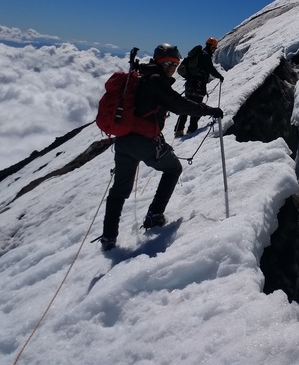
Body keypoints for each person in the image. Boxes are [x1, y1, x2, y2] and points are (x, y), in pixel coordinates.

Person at [96, 43, 223, 251]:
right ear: (158, 61)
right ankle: (155, 215)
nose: (172, 67)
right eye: (168, 63)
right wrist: (210, 110)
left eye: (175, 63)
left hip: (124, 141)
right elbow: (180, 105)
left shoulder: (142, 76)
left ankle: (109, 236)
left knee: (119, 189)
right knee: (173, 169)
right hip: (144, 141)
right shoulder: (156, 81)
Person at [174, 37, 225, 137]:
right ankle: (191, 130)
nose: (214, 50)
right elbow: (210, 68)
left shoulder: (198, 54)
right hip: (199, 85)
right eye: (214, 48)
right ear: (210, 46)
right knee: (197, 107)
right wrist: (220, 76)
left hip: (189, 84)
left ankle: (179, 130)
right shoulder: (205, 56)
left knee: (186, 105)